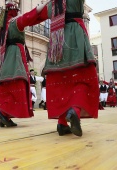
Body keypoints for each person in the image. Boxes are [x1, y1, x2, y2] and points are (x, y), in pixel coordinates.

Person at [38, 0, 99, 137]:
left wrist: (16, 21)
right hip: (76, 37)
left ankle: (62, 123)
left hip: (57, 42)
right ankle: (74, 111)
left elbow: (30, 17)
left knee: (61, 84)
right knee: (84, 80)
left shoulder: (52, 4)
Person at [0, 0, 50, 127]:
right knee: (18, 82)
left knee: (8, 83)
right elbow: (29, 17)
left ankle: (4, 114)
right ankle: (4, 112)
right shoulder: (15, 22)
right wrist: (41, 7)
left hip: (8, 55)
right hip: (16, 54)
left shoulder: (5, 26)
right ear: (14, 12)